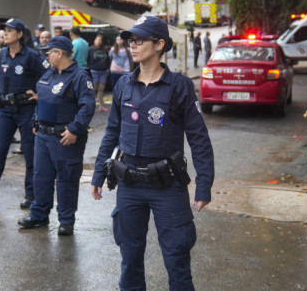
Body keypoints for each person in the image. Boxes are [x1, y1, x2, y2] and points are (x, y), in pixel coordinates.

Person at [90, 16, 215, 291]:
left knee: (176, 258)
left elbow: (199, 138)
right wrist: (98, 173)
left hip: (167, 186)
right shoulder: (123, 85)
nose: (131, 45)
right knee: (130, 258)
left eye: (139, 40)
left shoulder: (179, 85)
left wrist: (204, 184)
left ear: (159, 44)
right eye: (130, 40)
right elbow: (111, 133)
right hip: (129, 184)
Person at [17, 36, 96, 235]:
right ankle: (39, 215)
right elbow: (41, 100)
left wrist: (75, 129)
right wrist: (36, 121)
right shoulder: (49, 74)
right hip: (43, 137)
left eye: (49, 52)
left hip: (65, 137)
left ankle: (66, 220)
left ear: (58, 53)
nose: (46, 56)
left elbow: (87, 107)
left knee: (66, 179)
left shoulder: (79, 76)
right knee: (41, 177)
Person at [0, 18, 48, 211]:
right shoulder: (2, 53)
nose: (5, 33)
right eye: (4, 30)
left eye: (10, 31)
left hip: (26, 110)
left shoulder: (31, 56)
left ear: (20, 35)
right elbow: (1, 78)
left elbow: (48, 77)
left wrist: (39, 94)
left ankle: (30, 194)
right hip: (5, 111)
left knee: (30, 153)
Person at [87, 34, 111, 112]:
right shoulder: (90, 49)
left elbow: (108, 60)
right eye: (97, 40)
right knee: (93, 89)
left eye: (100, 40)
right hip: (94, 72)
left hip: (103, 72)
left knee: (101, 89)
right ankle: (91, 106)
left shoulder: (104, 49)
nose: (99, 42)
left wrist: (108, 69)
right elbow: (87, 60)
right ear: (94, 40)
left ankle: (101, 106)